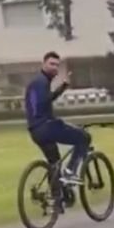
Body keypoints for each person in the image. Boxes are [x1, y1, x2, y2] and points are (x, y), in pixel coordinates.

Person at [24, 51, 89, 184]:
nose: (54, 67)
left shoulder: (37, 81)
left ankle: (57, 199)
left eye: (57, 65)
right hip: (46, 126)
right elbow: (43, 101)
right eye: (51, 64)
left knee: (54, 164)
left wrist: (62, 88)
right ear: (44, 64)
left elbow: (44, 101)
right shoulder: (41, 82)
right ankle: (70, 172)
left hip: (35, 130)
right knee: (84, 137)